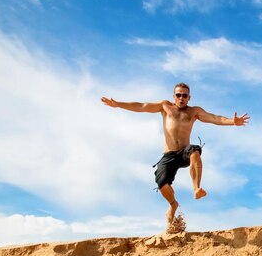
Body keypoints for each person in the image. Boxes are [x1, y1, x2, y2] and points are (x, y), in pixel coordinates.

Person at [101, 82, 249, 233]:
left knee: (195, 151)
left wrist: (232, 122)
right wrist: (118, 104)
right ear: (174, 96)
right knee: (162, 184)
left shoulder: (194, 111)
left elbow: (214, 118)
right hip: (169, 154)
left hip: (184, 151)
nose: (181, 98)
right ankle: (173, 204)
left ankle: (196, 188)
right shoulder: (165, 107)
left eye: (185, 95)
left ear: (189, 97)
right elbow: (142, 106)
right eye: (178, 95)